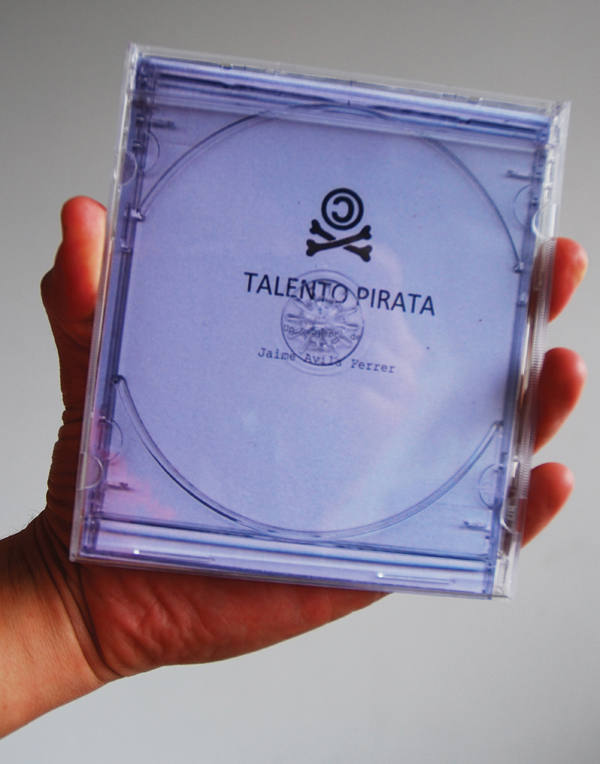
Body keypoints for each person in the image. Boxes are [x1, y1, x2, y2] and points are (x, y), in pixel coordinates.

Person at [0, 197, 588, 737]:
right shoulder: (171, 370)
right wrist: (62, 605)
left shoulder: (420, 431)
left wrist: (64, 611)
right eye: (270, 277)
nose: (311, 300)